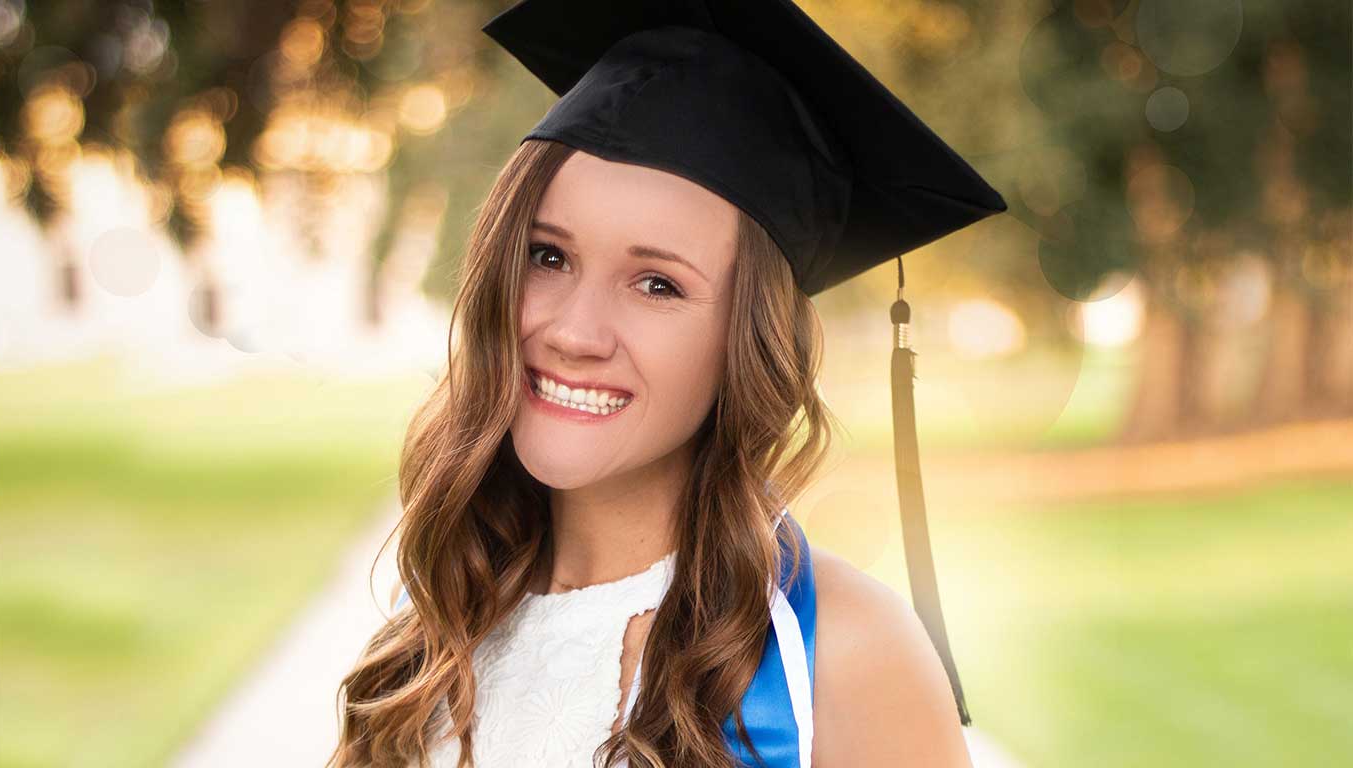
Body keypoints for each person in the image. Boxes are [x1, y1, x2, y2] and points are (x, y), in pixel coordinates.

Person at [329, 1, 1007, 766]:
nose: (573, 333)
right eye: (549, 257)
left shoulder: (841, 655)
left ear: (747, 342)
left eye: (656, 284)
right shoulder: (443, 620)